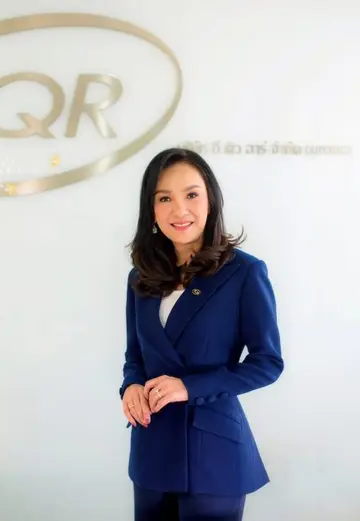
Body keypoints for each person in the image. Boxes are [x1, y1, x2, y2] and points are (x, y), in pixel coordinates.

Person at [119, 147, 285, 521]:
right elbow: (135, 356)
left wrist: (188, 387)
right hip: (152, 447)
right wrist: (130, 387)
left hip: (213, 452)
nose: (179, 210)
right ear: (151, 209)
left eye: (191, 195)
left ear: (210, 200)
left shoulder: (243, 273)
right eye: (164, 198)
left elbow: (267, 363)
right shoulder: (140, 277)